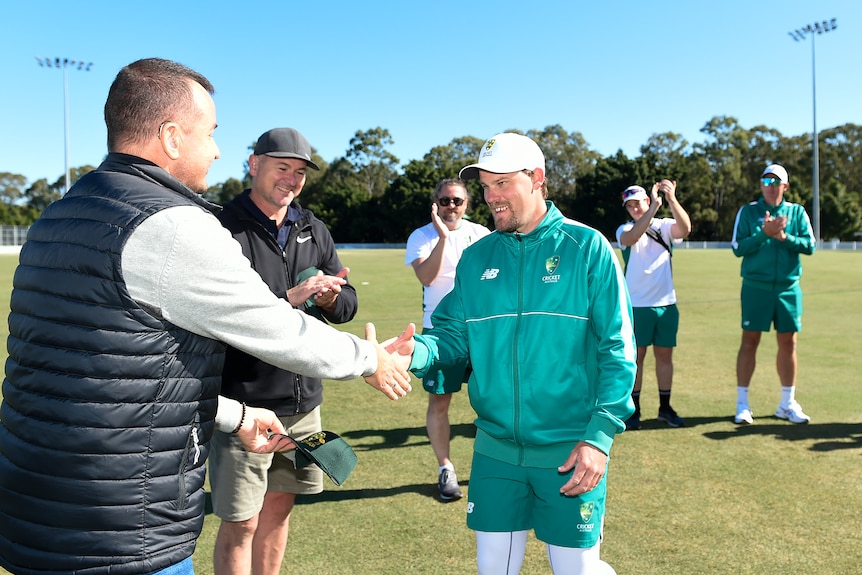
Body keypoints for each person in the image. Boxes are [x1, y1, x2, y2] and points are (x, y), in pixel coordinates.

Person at [0, 58, 412, 575]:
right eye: (211, 132)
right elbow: (274, 327)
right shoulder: (173, 224)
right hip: (123, 531)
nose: (216, 149)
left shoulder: (58, 214)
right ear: (172, 137)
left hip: (36, 515)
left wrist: (234, 416)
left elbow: (107, 377)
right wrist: (369, 357)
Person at [400, 133, 635, 574]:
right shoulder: (477, 257)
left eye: (503, 183)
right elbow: (452, 336)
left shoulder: (588, 249)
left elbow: (618, 350)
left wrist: (600, 436)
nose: (491, 197)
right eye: (486, 187)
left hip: (571, 450)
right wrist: (411, 353)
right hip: (496, 451)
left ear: (538, 179)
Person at [209, 127, 360, 575]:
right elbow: (221, 315)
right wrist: (290, 298)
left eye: (299, 173)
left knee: (279, 510)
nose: (291, 180)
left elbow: (347, 305)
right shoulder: (220, 226)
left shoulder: (313, 228)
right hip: (243, 406)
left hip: (303, 404)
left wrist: (331, 297)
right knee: (241, 523)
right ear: (254, 165)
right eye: (282, 168)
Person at [405, 178, 491, 500]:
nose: (451, 206)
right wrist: (443, 237)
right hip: (440, 332)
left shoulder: (482, 234)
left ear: (467, 204)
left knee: (493, 397)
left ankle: (492, 467)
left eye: (457, 201)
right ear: (435, 203)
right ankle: (446, 469)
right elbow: (426, 276)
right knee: (440, 402)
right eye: (445, 201)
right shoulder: (422, 236)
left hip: (483, 330)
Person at [731, 163, 815, 425]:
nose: (770, 186)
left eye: (775, 181)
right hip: (756, 287)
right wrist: (764, 234)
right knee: (749, 341)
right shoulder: (748, 212)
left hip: (788, 289)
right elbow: (738, 247)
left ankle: (787, 404)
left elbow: (810, 245)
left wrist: (783, 237)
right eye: (765, 181)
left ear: (785, 186)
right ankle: (742, 404)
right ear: (760, 185)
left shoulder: (797, 212)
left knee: (788, 343)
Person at [616, 181, 692, 430]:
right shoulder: (625, 228)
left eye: (638, 203)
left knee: (664, 357)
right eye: (630, 206)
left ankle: (665, 407)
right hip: (637, 305)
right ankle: (634, 410)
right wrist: (652, 209)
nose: (634, 209)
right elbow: (632, 236)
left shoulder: (664, 226)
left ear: (647, 201)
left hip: (666, 304)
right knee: (636, 359)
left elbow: (685, 228)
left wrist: (670, 199)